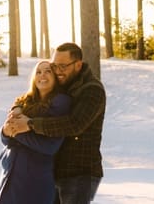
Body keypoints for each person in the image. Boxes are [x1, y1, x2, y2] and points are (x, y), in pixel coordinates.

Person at [7, 43, 106, 204]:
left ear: (78, 65)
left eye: (62, 66)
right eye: (54, 66)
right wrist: (17, 107)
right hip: (57, 169)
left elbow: (75, 124)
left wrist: (31, 124)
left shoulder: (92, 90)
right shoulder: (66, 83)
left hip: (80, 172)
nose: (57, 71)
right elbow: (35, 94)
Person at [0, 60, 72, 204]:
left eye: (48, 71)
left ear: (55, 77)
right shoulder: (23, 102)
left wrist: (17, 132)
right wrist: (5, 131)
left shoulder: (61, 102)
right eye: (38, 72)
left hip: (35, 180)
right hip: (10, 176)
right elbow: (6, 139)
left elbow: (50, 146)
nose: (43, 75)